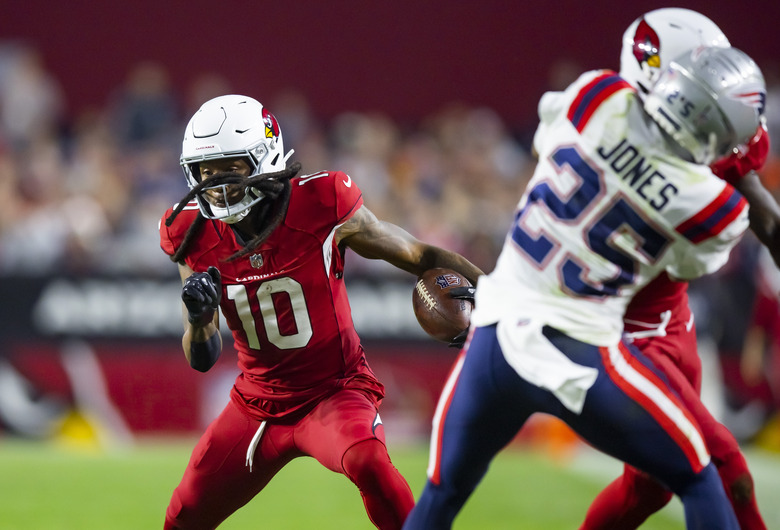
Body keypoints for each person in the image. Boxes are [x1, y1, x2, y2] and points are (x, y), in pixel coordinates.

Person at [402, 46, 766, 530]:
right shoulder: (714, 205)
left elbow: (546, 140)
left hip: (494, 340)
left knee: (440, 497)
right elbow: (680, 269)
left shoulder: (599, 97)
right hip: (586, 354)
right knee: (700, 476)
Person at [159, 94, 484, 530]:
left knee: (369, 460)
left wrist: (499, 295)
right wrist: (199, 318)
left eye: (229, 169)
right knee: (184, 514)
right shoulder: (191, 232)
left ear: (263, 157)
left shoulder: (320, 202)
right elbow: (201, 358)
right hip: (257, 403)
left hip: (334, 391)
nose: (215, 185)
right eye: (205, 172)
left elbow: (416, 252)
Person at [581, 9, 774, 529]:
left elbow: (759, 205)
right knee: (726, 467)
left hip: (674, 320)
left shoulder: (711, 135)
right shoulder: (601, 124)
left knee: (650, 488)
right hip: (616, 332)